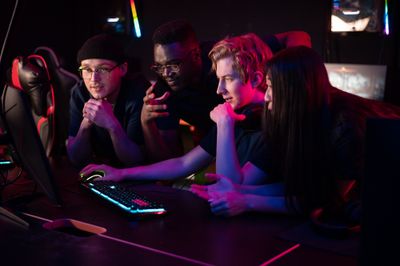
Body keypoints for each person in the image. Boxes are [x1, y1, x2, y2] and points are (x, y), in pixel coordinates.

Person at [191, 46, 369, 217]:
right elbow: (296, 188)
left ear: (294, 90)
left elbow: (328, 201)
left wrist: (247, 201)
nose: (266, 96)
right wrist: (239, 190)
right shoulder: (294, 119)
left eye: (271, 87)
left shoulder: (347, 127)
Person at [81, 33, 273, 185]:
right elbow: (183, 163)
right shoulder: (239, 115)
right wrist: (121, 173)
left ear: (256, 79)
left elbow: (228, 186)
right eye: (219, 79)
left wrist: (224, 124)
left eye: (228, 79)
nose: (219, 89)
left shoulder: (274, 124)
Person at [141, 19, 312, 162]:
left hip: (257, 131)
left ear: (196, 55)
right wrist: (146, 124)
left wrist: (294, 78)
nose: (166, 73)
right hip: (218, 139)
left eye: (174, 65)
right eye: (160, 66)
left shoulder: (224, 56)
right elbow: (172, 161)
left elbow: (298, 36)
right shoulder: (163, 90)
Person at [67, 34, 150, 169]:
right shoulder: (79, 93)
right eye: (87, 70)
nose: (94, 79)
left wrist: (112, 125)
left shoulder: (138, 92)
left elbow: (136, 161)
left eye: (103, 69)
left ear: (122, 69)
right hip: (103, 174)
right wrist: (85, 125)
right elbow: (76, 159)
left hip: (138, 180)